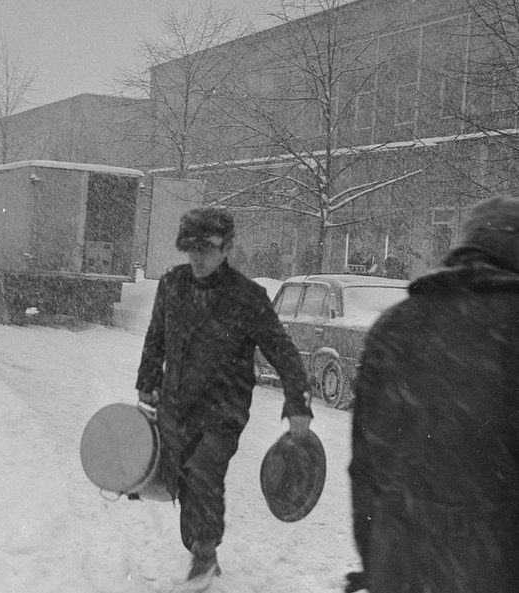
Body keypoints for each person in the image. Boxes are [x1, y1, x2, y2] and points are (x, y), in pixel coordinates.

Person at [348, 194, 519, 593]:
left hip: (401, 560)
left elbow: (365, 464)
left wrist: (377, 559)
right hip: (493, 565)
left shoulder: (393, 325)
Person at [136, 207, 313, 591]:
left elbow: (282, 350)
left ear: (227, 247)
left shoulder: (248, 297)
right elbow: (156, 339)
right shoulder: (172, 285)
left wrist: (298, 405)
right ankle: (199, 543)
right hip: (176, 404)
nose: (197, 258)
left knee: (203, 472)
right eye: (190, 250)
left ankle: (204, 553)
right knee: (182, 478)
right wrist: (147, 383)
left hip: (223, 410)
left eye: (206, 249)